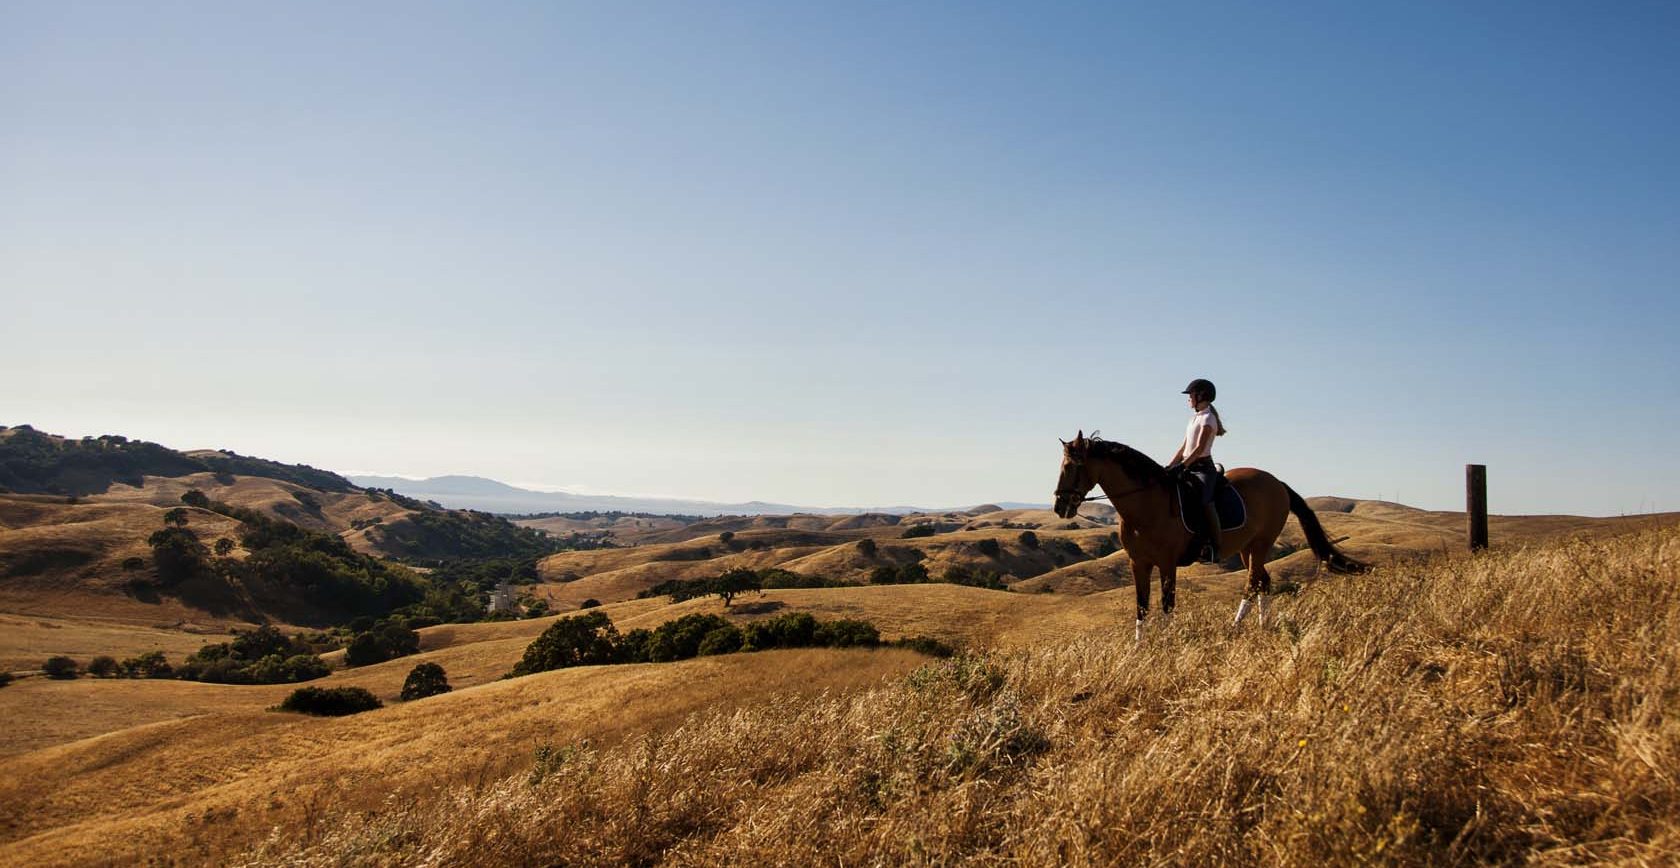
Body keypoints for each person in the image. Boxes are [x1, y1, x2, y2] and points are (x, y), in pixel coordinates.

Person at [1165, 378, 1228, 561]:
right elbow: (1183, 448)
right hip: (1187, 466)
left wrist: (1183, 466)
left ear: (1201, 396)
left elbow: (1199, 448)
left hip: (1203, 469)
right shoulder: (1194, 419)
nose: (1188, 399)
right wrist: (1170, 467)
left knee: (1204, 501)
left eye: (1190, 395)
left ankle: (1214, 547)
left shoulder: (1209, 418)